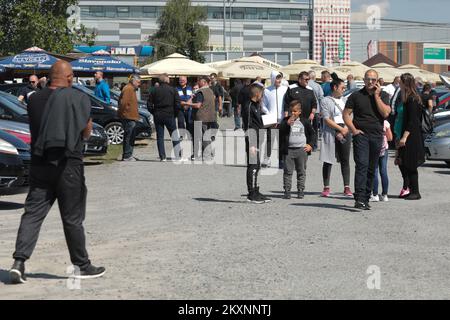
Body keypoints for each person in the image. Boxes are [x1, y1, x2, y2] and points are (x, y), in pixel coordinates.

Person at [9, 60, 105, 284]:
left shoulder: (34, 100)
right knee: (72, 217)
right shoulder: (76, 98)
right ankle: (82, 265)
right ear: (70, 78)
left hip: (40, 164)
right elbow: (86, 133)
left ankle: (19, 262)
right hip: (68, 165)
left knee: (32, 213)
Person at [343, 69, 391, 210]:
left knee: (372, 167)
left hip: (377, 136)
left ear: (377, 81)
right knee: (362, 165)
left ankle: (366, 197)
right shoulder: (356, 96)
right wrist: (354, 130)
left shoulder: (383, 95)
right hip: (361, 136)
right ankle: (359, 198)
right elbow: (346, 114)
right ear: (364, 80)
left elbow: (386, 113)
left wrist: (376, 96)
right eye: (368, 79)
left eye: (373, 79)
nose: (370, 82)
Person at [319, 74, 353, 198]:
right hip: (331, 130)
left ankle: (347, 186)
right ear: (334, 87)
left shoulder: (345, 100)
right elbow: (326, 119)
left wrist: (347, 128)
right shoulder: (325, 100)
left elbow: (350, 115)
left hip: (345, 128)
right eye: (342, 87)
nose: (344, 90)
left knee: (345, 159)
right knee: (328, 159)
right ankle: (326, 187)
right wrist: (339, 129)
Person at [397, 73, 425, 200]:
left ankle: (416, 191)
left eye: (400, 82)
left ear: (405, 83)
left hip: (412, 136)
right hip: (409, 135)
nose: (399, 84)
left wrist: (404, 137)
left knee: (411, 164)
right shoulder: (408, 97)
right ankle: (410, 189)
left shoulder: (412, 99)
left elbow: (413, 121)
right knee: (405, 163)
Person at [280, 101, 316, 200]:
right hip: (288, 150)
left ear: (299, 111)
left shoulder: (304, 121)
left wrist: (310, 145)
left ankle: (300, 190)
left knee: (301, 171)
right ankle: (287, 191)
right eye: (291, 111)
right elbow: (280, 131)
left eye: (295, 111)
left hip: (301, 150)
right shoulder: (285, 120)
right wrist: (286, 124)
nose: (293, 113)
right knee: (288, 172)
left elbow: (313, 134)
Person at [242, 83, 271, 204]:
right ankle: (251, 193)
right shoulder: (248, 106)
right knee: (253, 166)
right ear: (257, 94)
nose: (263, 97)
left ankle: (256, 190)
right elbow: (248, 125)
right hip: (252, 139)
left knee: (257, 165)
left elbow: (258, 121)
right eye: (262, 95)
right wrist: (252, 144)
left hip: (258, 137)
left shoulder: (256, 105)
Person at [148, 73, 181, 162]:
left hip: (158, 114)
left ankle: (163, 157)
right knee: (174, 135)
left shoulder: (154, 90)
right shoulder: (173, 90)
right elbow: (178, 104)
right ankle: (178, 155)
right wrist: (175, 114)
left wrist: (154, 112)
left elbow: (149, 104)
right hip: (170, 114)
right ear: (166, 80)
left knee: (160, 136)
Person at [261, 71, 289, 167]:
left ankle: (281, 160)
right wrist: (269, 114)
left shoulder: (285, 89)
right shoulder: (267, 90)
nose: (279, 80)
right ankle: (267, 158)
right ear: (273, 79)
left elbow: (288, 103)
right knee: (270, 140)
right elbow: (263, 105)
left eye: (280, 78)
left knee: (282, 140)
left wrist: (287, 114)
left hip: (283, 119)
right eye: (277, 78)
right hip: (271, 120)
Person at [185, 77, 216, 160]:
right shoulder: (210, 91)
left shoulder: (200, 92)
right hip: (210, 117)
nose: (198, 82)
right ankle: (207, 155)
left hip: (201, 117)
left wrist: (185, 103)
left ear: (204, 82)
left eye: (199, 81)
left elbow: (198, 105)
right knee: (207, 136)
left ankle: (206, 156)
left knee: (203, 137)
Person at [118, 74, 141, 161]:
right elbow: (123, 103)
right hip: (128, 117)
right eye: (138, 82)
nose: (139, 84)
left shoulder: (131, 88)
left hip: (131, 116)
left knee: (131, 136)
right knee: (129, 136)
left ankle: (129, 154)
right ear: (133, 81)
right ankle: (127, 155)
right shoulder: (128, 89)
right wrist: (123, 113)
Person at [370, 120, 393, 202]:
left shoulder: (371, 121)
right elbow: (390, 138)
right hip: (384, 149)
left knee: (375, 171)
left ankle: (375, 194)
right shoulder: (385, 123)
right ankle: (385, 195)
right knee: (383, 171)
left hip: (374, 149)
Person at [308, 71, 324, 151]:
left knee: (306, 128)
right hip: (316, 110)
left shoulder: (306, 85)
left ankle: (307, 144)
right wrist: (321, 109)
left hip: (306, 110)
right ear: (314, 77)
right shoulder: (317, 86)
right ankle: (314, 145)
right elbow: (321, 98)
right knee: (315, 129)